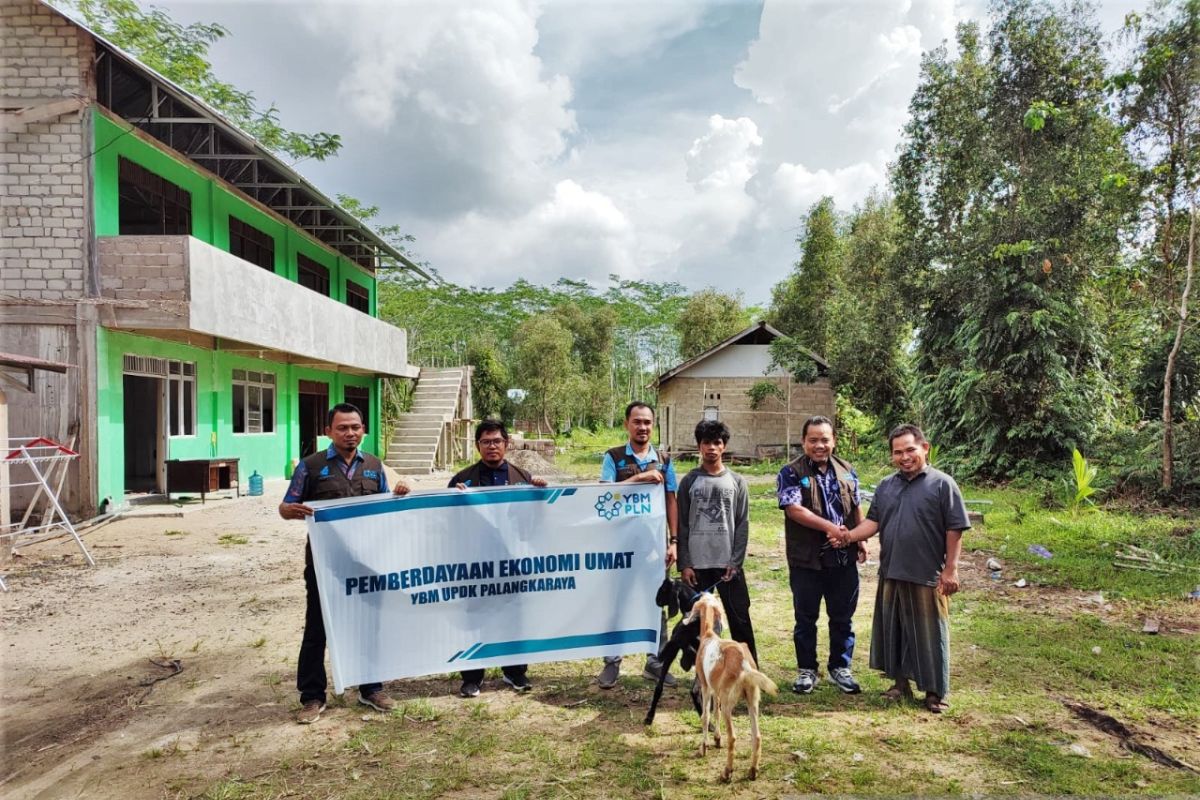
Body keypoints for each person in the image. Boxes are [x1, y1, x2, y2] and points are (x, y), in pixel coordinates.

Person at [279, 402, 411, 725]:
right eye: (342, 428)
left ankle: (371, 687)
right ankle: (312, 697)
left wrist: (400, 494)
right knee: (317, 629)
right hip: (325, 565)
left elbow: (383, 507)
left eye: (355, 427)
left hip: (365, 562)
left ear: (363, 430)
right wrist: (292, 510)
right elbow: (285, 506)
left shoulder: (375, 466)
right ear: (328, 432)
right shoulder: (310, 467)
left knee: (369, 625)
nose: (350, 433)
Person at [832, 424, 970, 714]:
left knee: (930, 635)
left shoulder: (942, 484)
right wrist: (849, 536)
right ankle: (899, 684)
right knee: (895, 630)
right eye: (898, 452)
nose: (905, 456)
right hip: (892, 571)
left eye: (910, 449)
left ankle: (935, 692)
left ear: (925, 448)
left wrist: (951, 570)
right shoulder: (886, 486)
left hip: (927, 574)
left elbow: (955, 528)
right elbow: (873, 523)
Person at [448, 419, 547, 698]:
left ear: (507, 444)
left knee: (514, 616)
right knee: (474, 617)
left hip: (512, 560)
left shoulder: (523, 477)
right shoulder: (462, 480)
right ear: (477, 445)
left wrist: (541, 492)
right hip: (475, 562)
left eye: (497, 441)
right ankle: (472, 677)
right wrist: (452, 500)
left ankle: (514, 671)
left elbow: (540, 520)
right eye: (485, 442)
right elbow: (445, 520)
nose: (492, 446)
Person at [776, 415, 867, 695]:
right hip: (807, 559)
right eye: (813, 440)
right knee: (806, 617)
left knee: (843, 616)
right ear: (804, 442)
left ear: (834, 441)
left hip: (843, 556)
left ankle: (840, 667)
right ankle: (807, 670)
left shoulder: (847, 469)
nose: (819, 445)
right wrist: (830, 527)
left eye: (825, 439)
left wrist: (859, 538)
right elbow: (794, 509)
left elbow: (855, 506)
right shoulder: (790, 472)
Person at [596, 401, 679, 689]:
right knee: (616, 602)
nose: (642, 427)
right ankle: (611, 661)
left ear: (653, 425)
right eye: (637, 422)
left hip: (654, 548)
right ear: (626, 424)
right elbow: (603, 494)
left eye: (647, 422)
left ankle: (655, 662)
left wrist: (674, 541)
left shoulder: (665, 459)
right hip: (618, 547)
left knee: (658, 602)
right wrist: (639, 478)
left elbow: (671, 500)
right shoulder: (614, 458)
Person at [677, 419, 757, 664]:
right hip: (698, 565)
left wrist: (736, 561)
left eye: (717, 443)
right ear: (699, 447)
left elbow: (742, 523)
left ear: (724, 447)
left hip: (727, 566)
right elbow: (682, 524)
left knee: (739, 619)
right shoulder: (689, 481)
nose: (711, 448)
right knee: (701, 623)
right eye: (706, 443)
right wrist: (685, 564)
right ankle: (704, 671)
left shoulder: (737, 482)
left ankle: (749, 668)